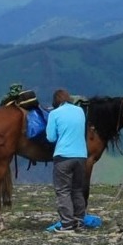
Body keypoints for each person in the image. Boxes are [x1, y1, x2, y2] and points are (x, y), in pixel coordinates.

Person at [43, 88, 88, 233]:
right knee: (77, 190)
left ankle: (67, 225)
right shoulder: (80, 111)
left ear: (55, 101)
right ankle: (79, 222)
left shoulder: (54, 114)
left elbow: (51, 138)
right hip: (81, 156)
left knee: (63, 191)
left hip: (63, 156)